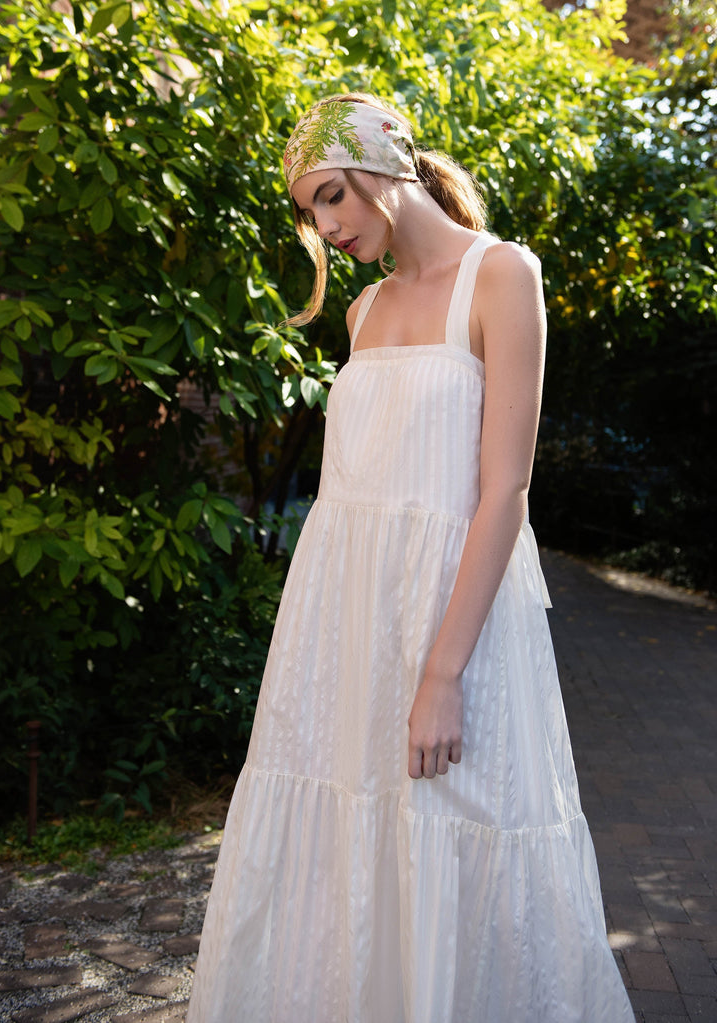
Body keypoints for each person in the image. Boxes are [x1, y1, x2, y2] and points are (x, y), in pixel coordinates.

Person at [187, 93, 634, 1023]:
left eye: (335, 196)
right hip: (343, 630)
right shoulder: (362, 309)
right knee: (348, 847)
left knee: (457, 836)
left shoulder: (502, 275)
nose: (326, 224)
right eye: (312, 209)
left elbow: (503, 491)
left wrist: (442, 671)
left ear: (388, 166)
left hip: (454, 631)